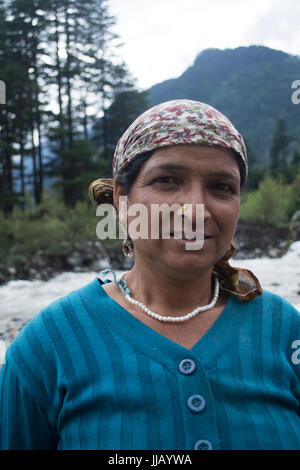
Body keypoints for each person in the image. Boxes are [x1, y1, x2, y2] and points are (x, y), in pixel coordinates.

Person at [0, 99, 300, 450]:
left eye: (222, 187)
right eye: (167, 180)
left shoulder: (285, 333)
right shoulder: (48, 347)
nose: (194, 210)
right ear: (122, 201)